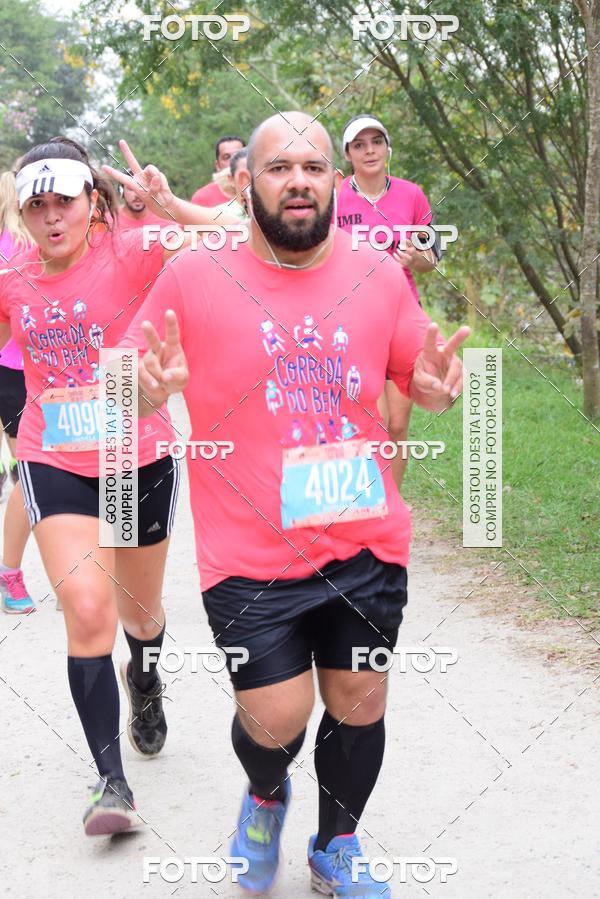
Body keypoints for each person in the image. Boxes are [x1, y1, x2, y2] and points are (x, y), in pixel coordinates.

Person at [116, 113, 468, 897]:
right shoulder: (195, 274)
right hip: (249, 554)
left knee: (360, 697)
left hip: (366, 537)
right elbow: (129, 375)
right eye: (279, 167)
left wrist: (442, 387)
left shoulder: (377, 270)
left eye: (313, 165)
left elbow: (419, 364)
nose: (299, 180)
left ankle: (336, 843)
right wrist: (144, 387)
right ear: (247, 183)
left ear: (335, 182)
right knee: (275, 718)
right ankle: (265, 794)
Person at [0, 137, 191, 836]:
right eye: (36, 205)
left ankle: (143, 676)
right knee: (86, 610)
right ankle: (112, 785)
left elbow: (239, 236)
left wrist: (169, 204)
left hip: (132, 454)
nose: (52, 218)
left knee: (139, 615)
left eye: (65, 202)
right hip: (53, 455)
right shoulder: (12, 274)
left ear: (93, 202)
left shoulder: (133, 246)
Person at [337, 114, 440, 490]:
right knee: (371, 423)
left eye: (375, 142)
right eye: (359, 145)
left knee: (397, 425)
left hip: (402, 318)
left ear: (387, 148)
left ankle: (391, 508)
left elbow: (431, 260)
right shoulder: (333, 199)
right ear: (348, 153)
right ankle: (367, 507)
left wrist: (417, 258)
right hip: (353, 323)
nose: (369, 151)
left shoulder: (412, 195)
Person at [0, 169, 36, 614]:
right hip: (20, 373)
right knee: (31, 476)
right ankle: (10, 573)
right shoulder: (20, 248)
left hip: (83, 374)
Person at [191, 134, 245, 206]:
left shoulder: (260, 189)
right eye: (227, 157)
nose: (233, 161)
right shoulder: (202, 198)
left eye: (238, 155)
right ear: (218, 165)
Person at [117, 168, 165, 232]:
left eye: (142, 188)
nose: (137, 195)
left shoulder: (166, 218)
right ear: (121, 191)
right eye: (131, 189)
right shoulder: (107, 221)